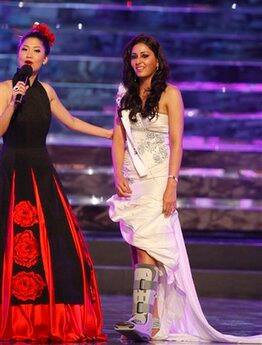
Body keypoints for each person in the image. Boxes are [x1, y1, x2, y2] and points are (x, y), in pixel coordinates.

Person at [107, 34, 262, 343]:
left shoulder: (170, 94)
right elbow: (119, 136)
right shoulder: (124, 93)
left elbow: (177, 142)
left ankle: (143, 317)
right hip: (132, 180)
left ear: (157, 60)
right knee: (138, 246)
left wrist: (171, 185)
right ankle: (146, 318)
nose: (138, 61)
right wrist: (116, 174)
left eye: (144, 56)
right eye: (134, 56)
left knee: (148, 244)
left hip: (157, 180)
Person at [0, 23, 110, 342]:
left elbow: (72, 121)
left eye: (36, 51)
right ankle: (15, 318)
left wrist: (108, 133)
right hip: (11, 170)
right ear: (18, 55)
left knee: (58, 247)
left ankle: (50, 319)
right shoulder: (7, 87)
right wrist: (12, 101)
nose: (29, 55)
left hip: (41, 172)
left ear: (45, 59)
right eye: (25, 49)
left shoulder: (47, 92)